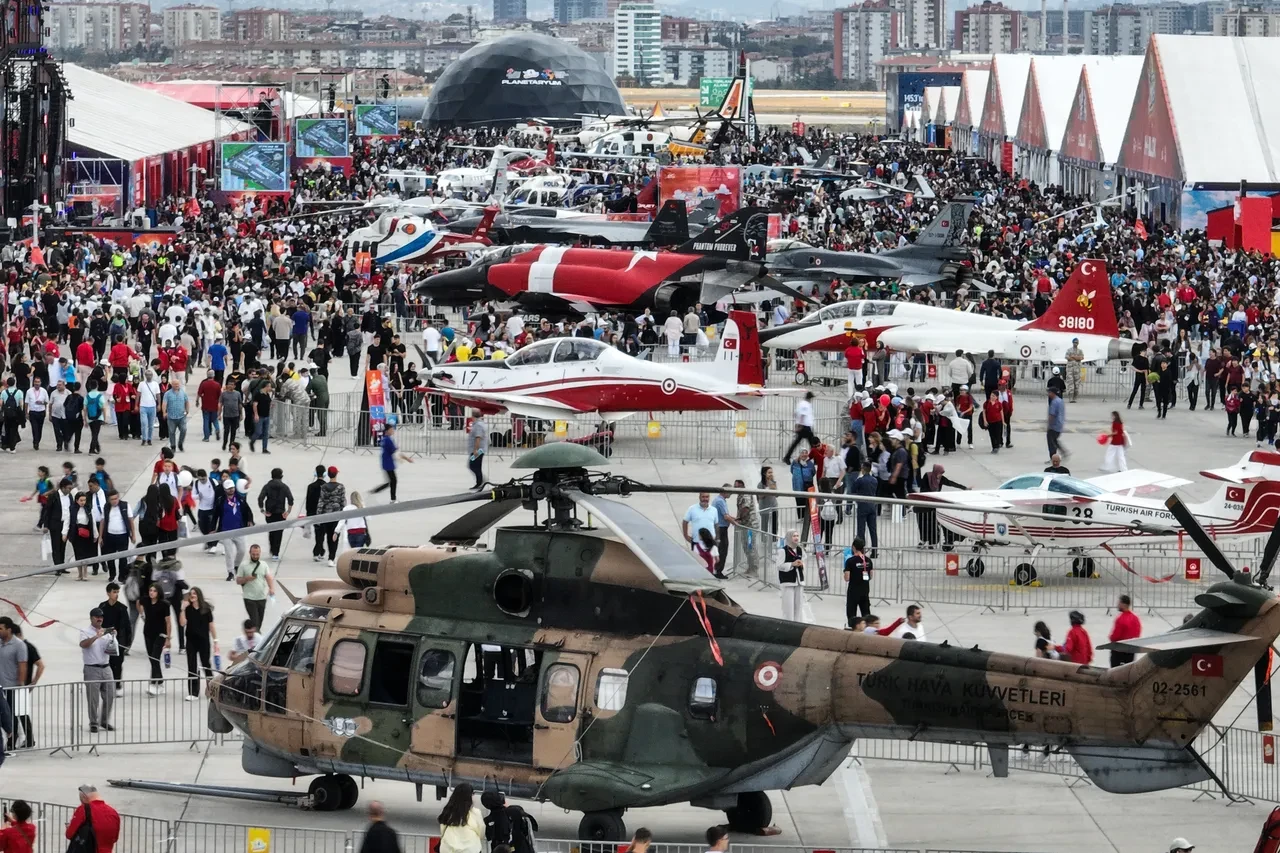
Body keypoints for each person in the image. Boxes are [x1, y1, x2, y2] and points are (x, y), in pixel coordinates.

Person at [77, 608, 115, 732]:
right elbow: (83, 644)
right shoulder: (85, 631)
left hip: (106, 667)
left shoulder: (106, 633)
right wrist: (95, 637)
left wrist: (113, 637)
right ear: (91, 618)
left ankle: (104, 720)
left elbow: (112, 650)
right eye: (97, 617)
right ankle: (93, 722)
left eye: (101, 617)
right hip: (92, 668)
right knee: (93, 698)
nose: (99, 619)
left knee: (110, 695)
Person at [180, 587, 218, 700]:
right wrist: (182, 609)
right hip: (191, 640)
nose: (192, 595)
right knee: (192, 665)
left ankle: (211, 691)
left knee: (206, 664)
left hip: (203, 640)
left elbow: (211, 626)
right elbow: (182, 623)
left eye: (194, 593)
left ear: (198, 595)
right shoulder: (188, 609)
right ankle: (193, 692)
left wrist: (216, 641)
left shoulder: (206, 609)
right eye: (191, 594)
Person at [214, 477, 254, 581]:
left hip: (239, 529)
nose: (231, 490)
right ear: (224, 490)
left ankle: (236, 565)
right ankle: (230, 572)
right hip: (226, 530)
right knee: (229, 552)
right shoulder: (221, 501)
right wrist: (212, 528)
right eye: (228, 488)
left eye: (232, 487)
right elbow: (215, 515)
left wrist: (250, 520)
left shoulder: (240, 498)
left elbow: (247, 510)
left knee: (242, 550)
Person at [97, 583, 131, 695]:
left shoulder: (122, 608)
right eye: (114, 592)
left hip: (118, 640)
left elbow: (127, 626)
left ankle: (117, 685)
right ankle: (106, 684)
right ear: (108, 593)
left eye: (117, 592)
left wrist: (127, 642)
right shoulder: (102, 607)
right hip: (105, 640)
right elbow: (97, 623)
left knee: (118, 663)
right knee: (106, 663)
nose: (116, 594)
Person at [64, 785, 120, 853]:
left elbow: (69, 834)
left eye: (81, 800)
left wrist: (69, 827)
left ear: (84, 797)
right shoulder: (114, 813)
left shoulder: (83, 809)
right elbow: (115, 839)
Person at [139, 582, 172, 695]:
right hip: (148, 633)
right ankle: (160, 682)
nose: (151, 593)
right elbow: (138, 602)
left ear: (158, 593)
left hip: (160, 634)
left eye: (154, 591)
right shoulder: (146, 600)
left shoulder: (164, 604)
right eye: (150, 590)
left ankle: (154, 684)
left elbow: (168, 622)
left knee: (155, 658)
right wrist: (142, 614)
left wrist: (168, 638)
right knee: (152, 658)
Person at [257, 468, 294, 561]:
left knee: (271, 531)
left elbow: (260, 498)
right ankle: (276, 553)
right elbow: (290, 499)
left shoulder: (267, 486)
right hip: (280, 513)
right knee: (279, 533)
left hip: (269, 513)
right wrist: (288, 511)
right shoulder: (284, 487)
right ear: (281, 476)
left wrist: (262, 510)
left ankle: (272, 549)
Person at [236, 543, 275, 630]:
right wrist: (247, 578)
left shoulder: (264, 564)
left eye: (257, 554)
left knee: (259, 623)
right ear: (250, 553)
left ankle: (255, 638)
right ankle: (257, 641)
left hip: (261, 597)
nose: (255, 556)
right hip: (249, 598)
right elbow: (238, 581)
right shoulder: (243, 565)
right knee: (255, 622)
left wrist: (271, 588)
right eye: (253, 554)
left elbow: (268, 577)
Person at [372, 423, 414, 503]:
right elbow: (396, 452)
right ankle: (392, 498)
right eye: (391, 429)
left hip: (386, 462)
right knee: (393, 481)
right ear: (387, 431)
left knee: (391, 481)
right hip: (388, 464)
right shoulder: (388, 440)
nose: (393, 431)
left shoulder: (385, 439)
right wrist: (407, 459)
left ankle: (376, 491)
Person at [438, 784, 485, 853]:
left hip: (448, 848)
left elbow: (442, 830)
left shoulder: (448, 811)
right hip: (471, 849)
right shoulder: (475, 812)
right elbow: (481, 831)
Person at [315, 467, 346, 566]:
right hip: (336, 515)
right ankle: (331, 558)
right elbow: (343, 502)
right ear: (336, 474)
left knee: (328, 536)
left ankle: (329, 555)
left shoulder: (323, 487)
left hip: (326, 515)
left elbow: (321, 502)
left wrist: (318, 516)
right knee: (335, 536)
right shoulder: (341, 487)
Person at [65, 490, 98, 582]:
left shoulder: (88, 508)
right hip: (76, 533)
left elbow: (93, 521)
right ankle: (79, 574)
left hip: (86, 533)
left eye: (84, 500)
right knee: (78, 554)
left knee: (85, 554)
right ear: (76, 500)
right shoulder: (72, 509)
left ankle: (85, 573)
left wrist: (95, 534)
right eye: (81, 500)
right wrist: (65, 533)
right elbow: (68, 521)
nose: (83, 502)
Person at [844, 537, 872, 627]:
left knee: (851, 614)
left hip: (853, 591)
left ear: (853, 547)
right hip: (865, 590)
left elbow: (847, 578)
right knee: (866, 613)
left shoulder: (850, 561)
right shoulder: (868, 560)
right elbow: (871, 575)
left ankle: (853, 630)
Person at [782, 392, 818, 463]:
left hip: (804, 426)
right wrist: (800, 425)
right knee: (813, 444)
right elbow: (802, 415)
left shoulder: (801, 403)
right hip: (805, 427)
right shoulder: (806, 405)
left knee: (797, 443)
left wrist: (797, 424)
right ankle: (816, 459)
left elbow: (796, 414)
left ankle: (787, 457)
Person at [1108, 595, 1142, 667]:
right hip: (1131, 649)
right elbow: (1138, 633)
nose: (1117, 605)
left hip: (1119, 650)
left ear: (1124, 604)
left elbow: (1115, 636)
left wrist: (1111, 637)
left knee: (1115, 672)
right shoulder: (1135, 618)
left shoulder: (1121, 619)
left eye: (1119, 603)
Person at [778, 530, 804, 621]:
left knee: (798, 606)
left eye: (797, 535)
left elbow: (803, 560)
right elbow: (779, 566)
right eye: (794, 536)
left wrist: (801, 564)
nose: (796, 538)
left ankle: (798, 624)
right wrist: (792, 564)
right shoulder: (783, 550)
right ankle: (788, 624)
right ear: (789, 537)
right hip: (788, 581)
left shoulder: (800, 549)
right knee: (788, 607)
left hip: (798, 581)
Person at [160, 376, 189, 452]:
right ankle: (173, 446)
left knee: (184, 429)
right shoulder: (167, 394)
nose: (176, 385)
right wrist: (164, 412)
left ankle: (180, 443)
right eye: (175, 384)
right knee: (172, 432)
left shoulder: (183, 393)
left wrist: (187, 410)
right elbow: (164, 403)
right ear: (172, 385)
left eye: (177, 384)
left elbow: (187, 402)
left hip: (181, 416)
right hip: (171, 417)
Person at [1046, 386, 1067, 462]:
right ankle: (1064, 452)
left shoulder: (1054, 402)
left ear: (1052, 393)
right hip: (1060, 424)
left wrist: (1049, 425)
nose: (1048, 394)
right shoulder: (1060, 400)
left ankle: (1053, 458)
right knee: (1054, 440)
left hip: (1054, 425)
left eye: (1049, 392)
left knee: (1051, 442)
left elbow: (1052, 415)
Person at [466, 411, 487, 490]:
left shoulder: (478, 425)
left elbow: (478, 438)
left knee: (473, 465)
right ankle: (480, 480)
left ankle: (480, 482)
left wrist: (475, 450)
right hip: (478, 450)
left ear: (473, 416)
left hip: (478, 451)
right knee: (475, 465)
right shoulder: (478, 424)